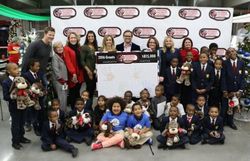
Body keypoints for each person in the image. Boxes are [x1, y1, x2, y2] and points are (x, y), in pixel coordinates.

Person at [2, 63, 31, 150]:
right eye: (14, 69)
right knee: (16, 124)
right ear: (8, 71)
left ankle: (21, 137)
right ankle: (15, 141)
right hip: (14, 107)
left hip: (24, 106)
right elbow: (5, 96)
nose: (17, 70)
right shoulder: (6, 82)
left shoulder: (22, 79)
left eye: (18, 68)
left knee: (22, 122)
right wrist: (15, 96)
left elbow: (26, 88)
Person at [221, 47, 246, 130]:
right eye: (229, 52)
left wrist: (241, 90)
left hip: (237, 90)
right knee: (225, 106)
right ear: (228, 54)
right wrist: (224, 90)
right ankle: (223, 122)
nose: (231, 53)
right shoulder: (225, 63)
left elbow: (242, 77)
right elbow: (223, 77)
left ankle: (230, 122)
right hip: (227, 89)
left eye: (232, 51)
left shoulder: (241, 63)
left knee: (233, 105)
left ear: (236, 52)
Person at [22, 59, 46, 136]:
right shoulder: (25, 75)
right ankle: (35, 128)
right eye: (36, 66)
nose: (38, 68)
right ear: (31, 66)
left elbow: (44, 84)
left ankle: (42, 127)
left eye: (39, 66)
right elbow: (26, 87)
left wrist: (44, 91)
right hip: (32, 99)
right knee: (33, 114)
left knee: (41, 112)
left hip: (41, 97)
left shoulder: (40, 73)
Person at [64, 32, 84, 110]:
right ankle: (73, 110)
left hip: (80, 74)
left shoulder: (79, 47)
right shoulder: (66, 48)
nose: (73, 39)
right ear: (68, 39)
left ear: (77, 39)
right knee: (73, 93)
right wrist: (73, 73)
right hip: (73, 75)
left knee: (77, 92)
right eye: (71, 38)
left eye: (74, 37)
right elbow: (68, 62)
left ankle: (79, 110)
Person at [80, 31, 98, 99]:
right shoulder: (84, 47)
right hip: (88, 72)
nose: (91, 38)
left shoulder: (96, 47)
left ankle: (89, 105)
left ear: (94, 37)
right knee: (89, 90)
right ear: (87, 38)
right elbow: (82, 61)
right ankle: (87, 106)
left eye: (92, 36)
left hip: (95, 72)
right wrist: (89, 71)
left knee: (93, 89)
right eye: (89, 36)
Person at [52, 41, 68, 113]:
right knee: (61, 98)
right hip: (59, 81)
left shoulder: (63, 55)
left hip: (65, 81)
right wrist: (60, 79)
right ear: (55, 49)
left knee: (64, 98)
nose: (60, 48)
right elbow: (56, 69)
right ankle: (62, 114)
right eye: (58, 47)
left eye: (61, 47)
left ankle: (63, 112)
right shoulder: (55, 57)